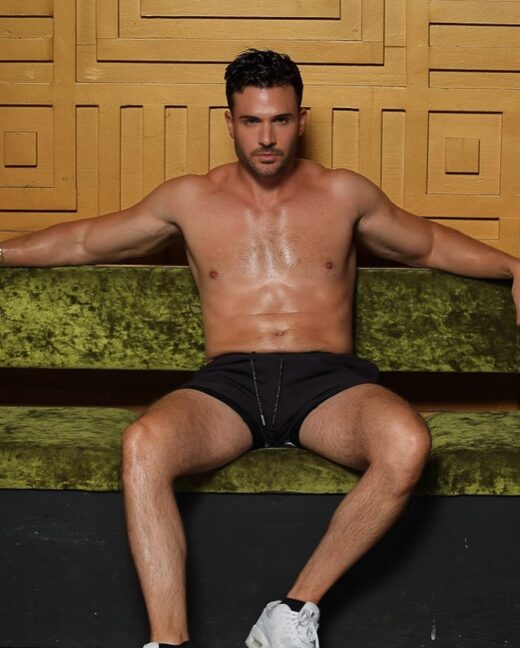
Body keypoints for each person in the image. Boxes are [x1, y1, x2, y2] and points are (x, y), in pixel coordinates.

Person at [1, 48, 519, 648]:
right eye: (251, 121)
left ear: (301, 119)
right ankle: (168, 641)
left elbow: (426, 244)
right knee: (143, 444)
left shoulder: (344, 193)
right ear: (229, 122)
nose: (266, 138)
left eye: (280, 120)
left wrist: (513, 266)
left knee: (407, 443)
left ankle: (292, 611)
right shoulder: (189, 199)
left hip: (327, 384)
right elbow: (85, 242)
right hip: (229, 385)